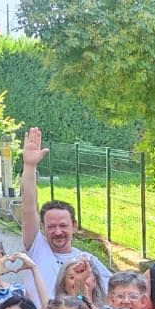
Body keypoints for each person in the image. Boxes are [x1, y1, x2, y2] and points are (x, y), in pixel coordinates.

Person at [17, 126, 112, 296]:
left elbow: (115, 292)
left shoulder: (88, 260)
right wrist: (29, 166)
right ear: (43, 227)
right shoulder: (36, 248)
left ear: (74, 226)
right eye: (51, 226)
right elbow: (28, 209)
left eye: (63, 225)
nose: (58, 231)